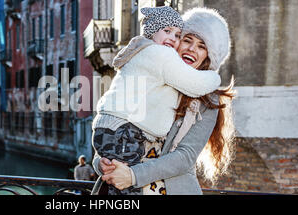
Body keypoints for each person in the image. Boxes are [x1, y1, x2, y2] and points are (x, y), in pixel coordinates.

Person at [93, 7, 236, 195]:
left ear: (209, 57)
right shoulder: (148, 74)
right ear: (176, 42)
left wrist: (132, 176)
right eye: (187, 40)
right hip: (117, 185)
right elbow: (115, 127)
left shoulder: (209, 98)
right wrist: (102, 163)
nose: (192, 49)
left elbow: (185, 157)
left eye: (202, 46)